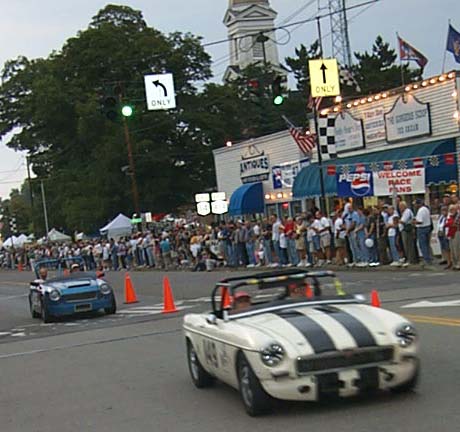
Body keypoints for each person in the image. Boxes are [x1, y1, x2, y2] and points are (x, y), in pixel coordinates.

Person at [413, 199, 433, 266]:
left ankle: (426, 259)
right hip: (427, 227)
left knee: (423, 245)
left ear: (418, 204)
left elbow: (420, 221)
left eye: (415, 204)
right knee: (427, 244)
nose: (415, 205)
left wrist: (414, 222)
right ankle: (429, 258)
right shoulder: (426, 209)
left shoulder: (421, 210)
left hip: (422, 228)